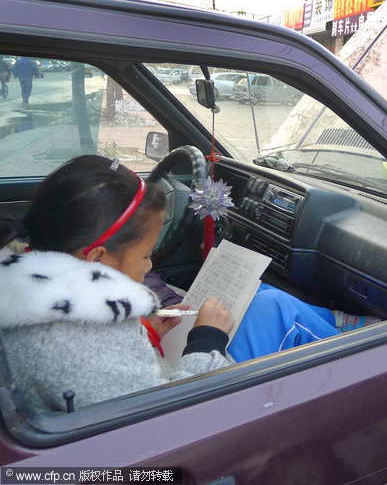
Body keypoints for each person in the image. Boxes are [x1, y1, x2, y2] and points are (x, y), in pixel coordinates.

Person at [0, 156, 234, 412]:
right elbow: (164, 417)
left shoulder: (23, 282)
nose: (150, 265)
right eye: (146, 255)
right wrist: (207, 341)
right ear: (98, 258)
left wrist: (147, 333)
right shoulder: (84, 339)